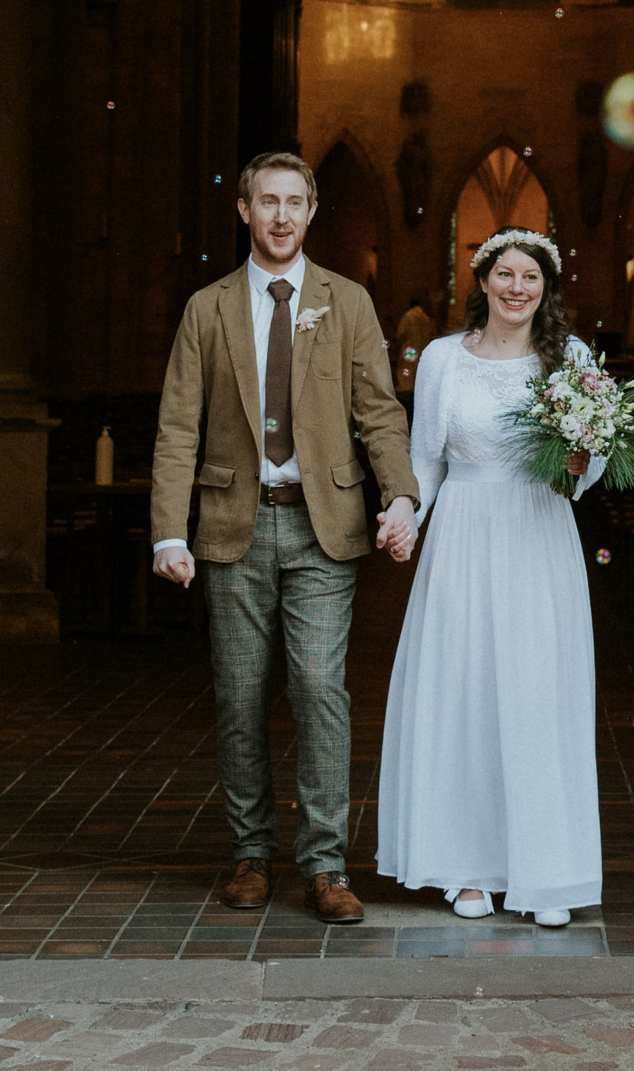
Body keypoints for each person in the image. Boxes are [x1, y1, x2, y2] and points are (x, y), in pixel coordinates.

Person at [150, 151, 419, 922]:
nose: (279, 216)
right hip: (232, 524)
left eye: (293, 202)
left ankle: (327, 863)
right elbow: (177, 426)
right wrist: (170, 528)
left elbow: (379, 410)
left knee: (318, 690)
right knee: (239, 698)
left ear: (310, 211)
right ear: (243, 210)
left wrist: (399, 492)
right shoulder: (208, 308)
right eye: (265, 201)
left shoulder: (349, 302)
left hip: (322, 526)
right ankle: (249, 854)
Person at [377, 228, 603, 927]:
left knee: (539, 696)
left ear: (546, 288)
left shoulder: (571, 359)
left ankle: (546, 870)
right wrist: (405, 513)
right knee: (465, 691)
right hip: (465, 540)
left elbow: (586, 469)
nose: (516, 287)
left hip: (538, 535)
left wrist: (579, 453)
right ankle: (467, 865)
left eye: (529, 277)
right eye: (503, 273)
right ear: (481, 281)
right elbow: (427, 458)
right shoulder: (444, 358)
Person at [392, 294, 436, 419]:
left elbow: (400, 333)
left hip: (409, 349)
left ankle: (406, 398)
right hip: (422, 349)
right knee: (417, 375)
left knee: (406, 375)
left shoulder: (408, 315)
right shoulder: (425, 317)